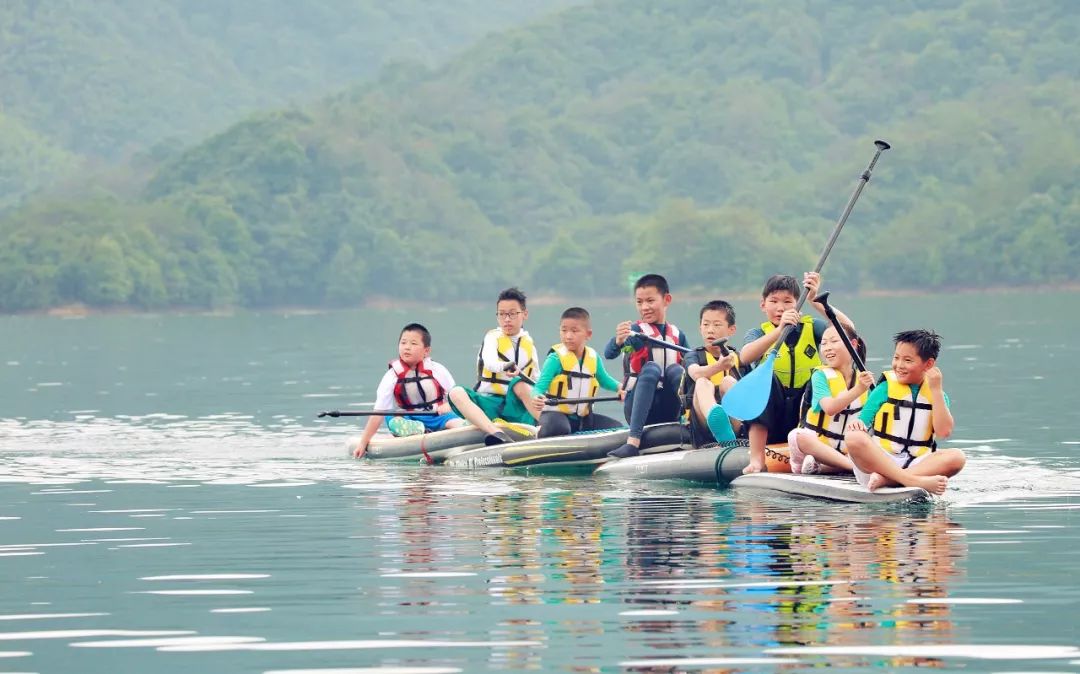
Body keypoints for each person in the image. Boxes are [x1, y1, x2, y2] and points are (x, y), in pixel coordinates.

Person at [738, 272, 854, 474]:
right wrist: (780, 329)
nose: (780, 308)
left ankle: (829, 453)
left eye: (788, 302)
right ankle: (757, 459)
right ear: (763, 305)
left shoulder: (813, 328)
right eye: (773, 301)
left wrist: (815, 301)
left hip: (805, 417)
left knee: (820, 376)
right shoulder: (758, 333)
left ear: (798, 305)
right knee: (766, 380)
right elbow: (745, 357)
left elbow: (847, 329)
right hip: (772, 417)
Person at [845, 329, 966, 495]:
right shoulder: (884, 388)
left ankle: (890, 480)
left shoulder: (937, 394)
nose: (899, 365)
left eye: (908, 360)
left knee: (957, 457)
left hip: (917, 465)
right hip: (880, 464)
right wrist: (857, 424)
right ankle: (909, 481)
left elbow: (944, 432)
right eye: (896, 358)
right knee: (853, 437)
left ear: (929, 364)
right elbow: (863, 422)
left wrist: (936, 390)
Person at [604, 274, 689, 458]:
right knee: (651, 368)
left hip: (669, 409)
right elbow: (609, 353)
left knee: (677, 371)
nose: (644, 307)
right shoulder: (635, 332)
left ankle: (692, 426)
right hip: (638, 407)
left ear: (666, 300)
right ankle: (633, 442)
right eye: (639, 302)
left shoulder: (677, 335)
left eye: (650, 301)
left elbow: (693, 363)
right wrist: (618, 340)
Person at [351, 323, 463, 458]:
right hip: (409, 419)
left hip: (437, 416)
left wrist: (448, 405)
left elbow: (457, 397)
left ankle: (438, 431)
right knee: (393, 420)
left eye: (413, 343)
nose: (407, 347)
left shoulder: (437, 369)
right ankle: (423, 431)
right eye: (403, 343)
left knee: (459, 422)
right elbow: (379, 412)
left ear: (426, 351)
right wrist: (363, 443)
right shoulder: (391, 376)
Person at [448, 287, 540, 445]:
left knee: (521, 385)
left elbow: (537, 377)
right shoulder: (492, 337)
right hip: (488, 404)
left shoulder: (529, 344)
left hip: (516, 406)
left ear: (524, 314)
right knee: (455, 392)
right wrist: (507, 366)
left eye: (512, 313)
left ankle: (547, 428)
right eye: (502, 314)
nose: (507, 319)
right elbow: (490, 363)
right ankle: (497, 434)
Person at [787, 323, 874, 474]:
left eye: (834, 341)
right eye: (824, 343)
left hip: (848, 450)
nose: (827, 347)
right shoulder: (820, 376)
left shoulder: (864, 380)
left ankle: (826, 467)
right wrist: (858, 389)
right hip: (815, 449)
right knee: (797, 436)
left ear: (853, 345)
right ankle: (853, 468)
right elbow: (830, 408)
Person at [529, 307, 623, 438]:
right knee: (560, 427)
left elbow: (605, 380)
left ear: (588, 334)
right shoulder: (555, 359)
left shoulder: (593, 357)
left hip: (584, 419)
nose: (568, 336)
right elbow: (538, 388)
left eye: (574, 331)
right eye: (564, 330)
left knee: (618, 428)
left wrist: (620, 388)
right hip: (555, 416)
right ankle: (537, 433)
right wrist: (536, 397)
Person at [682, 300, 743, 444]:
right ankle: (715, 416)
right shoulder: (693, 356)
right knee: (702, 381)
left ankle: (728, 433)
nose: (710, 330)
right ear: (700, 328)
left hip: (734, 423)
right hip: (702, 424)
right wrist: (720, 366)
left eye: (717, 325)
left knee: (728, 382)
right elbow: (695, 373)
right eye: (706, 324)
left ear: (731, 329)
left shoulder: (738, 357)